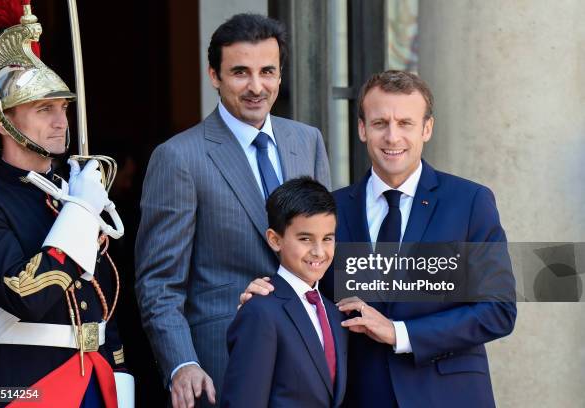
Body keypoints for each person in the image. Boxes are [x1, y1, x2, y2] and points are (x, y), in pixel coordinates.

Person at [241, 70, 516, 407]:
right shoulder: (333, 209)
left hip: (448, 395)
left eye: (405, 123)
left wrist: (399, 333)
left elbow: (498, 309)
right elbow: (309, 291)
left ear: (427, 128)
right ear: (362, 129)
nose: (392, 137)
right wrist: (268, 297)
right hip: (362, 393)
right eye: (380, 123)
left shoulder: (470, 202)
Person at [135, 13, 331, 408]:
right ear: (214, 75)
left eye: (267, 72)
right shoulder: (178, 158)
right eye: (240, 72)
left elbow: (323, 247)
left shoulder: (307, 140)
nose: (257, 87)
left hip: (310, 357)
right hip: (223, 362)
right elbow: (159, 282)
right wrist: (182, 364)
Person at [0, 1, 133, 406]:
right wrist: (79, 214)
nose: (61, 121)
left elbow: (102, 302)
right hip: (20, 388)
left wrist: (118, 374)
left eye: (62, 108)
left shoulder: (71, 192)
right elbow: (27, 294)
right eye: (44, 109)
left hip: (93, 380)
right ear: (1, 121)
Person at [221, 177, 348, 408]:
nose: (319, 252)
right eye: (305, 239)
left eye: (327, 239)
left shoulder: (334, 313)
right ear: (275, 239)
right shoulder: (260, 311)